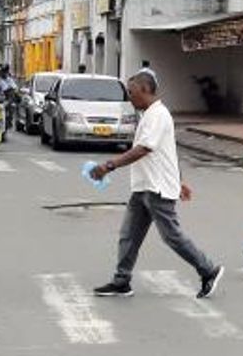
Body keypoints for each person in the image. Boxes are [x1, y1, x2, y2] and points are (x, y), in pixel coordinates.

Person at [91, 71, 222, 299]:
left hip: (157, 188)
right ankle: (122, 281)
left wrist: (109, 165)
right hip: (143, 187)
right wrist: (180, 180)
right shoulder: (149, 114)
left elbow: (144, 148)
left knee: (172, 236)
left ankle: (208, 270)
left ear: (144, 89)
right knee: (128, 235)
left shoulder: (158, 115)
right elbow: (168, 151)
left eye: (131, 93)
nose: (129, 98)